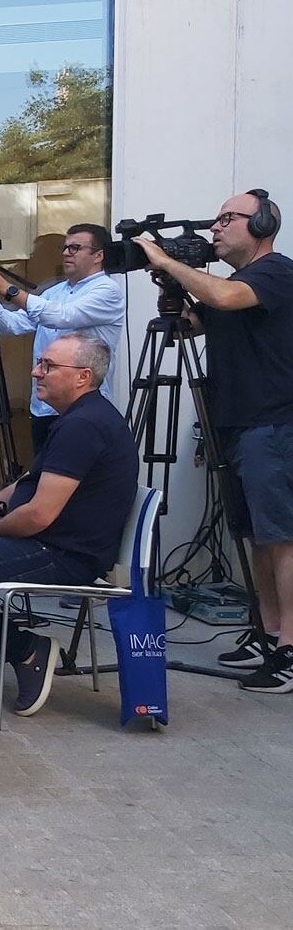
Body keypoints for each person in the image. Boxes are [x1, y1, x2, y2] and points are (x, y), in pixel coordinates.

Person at [143, 189, 293, 693]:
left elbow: (225, 299)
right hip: (239, 424)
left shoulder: (275, 272)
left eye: (228, 218)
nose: (216, 227)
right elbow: (190, 326)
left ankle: (291, 648)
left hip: (274, 424)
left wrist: (168, 260)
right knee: (256, 535)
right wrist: (172, 291)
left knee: (282, 537)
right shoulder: (229, 285)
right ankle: (268, 631)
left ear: (262, 224)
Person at [0, 334, 138, 716]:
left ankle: (27, 651)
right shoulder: (78, 418)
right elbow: (28, 482)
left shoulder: (84, 426)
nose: (35, 372)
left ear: (82, 376)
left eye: (48, 365)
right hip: (52, 544)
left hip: (63, 553)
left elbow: (38, 515)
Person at [0, 224, 124, 452]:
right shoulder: (55, 291)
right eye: (65, 247)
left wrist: (7, 288)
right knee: (43, 468)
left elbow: (61, 316)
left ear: (98, 255)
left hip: (82, 406)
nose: (66, 253)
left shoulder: (107, 290)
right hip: (45, 406)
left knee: (70, 471)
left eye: (75, 248)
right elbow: (13, 325)